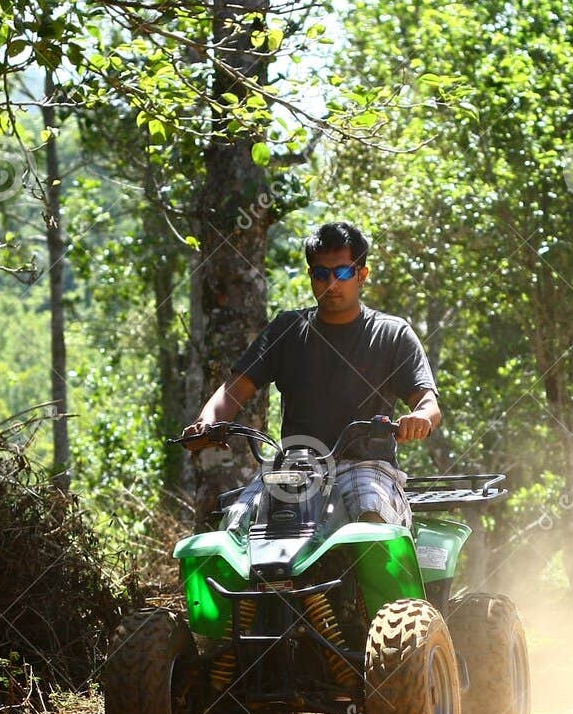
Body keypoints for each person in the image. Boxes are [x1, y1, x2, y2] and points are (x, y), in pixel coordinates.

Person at [181, 220, 441, 528]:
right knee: (237, 521)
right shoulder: (287, 330)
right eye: (321, 273)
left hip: (366, 466)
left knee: (372, 516)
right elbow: (233, 389)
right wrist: (207, 422)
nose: (332, 283)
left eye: (343, 272)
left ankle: (390, 576)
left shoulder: (390, 333)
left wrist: (420, 419)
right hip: (295, 467)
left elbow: (428, 402)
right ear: (311, 276)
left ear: (362, 275)